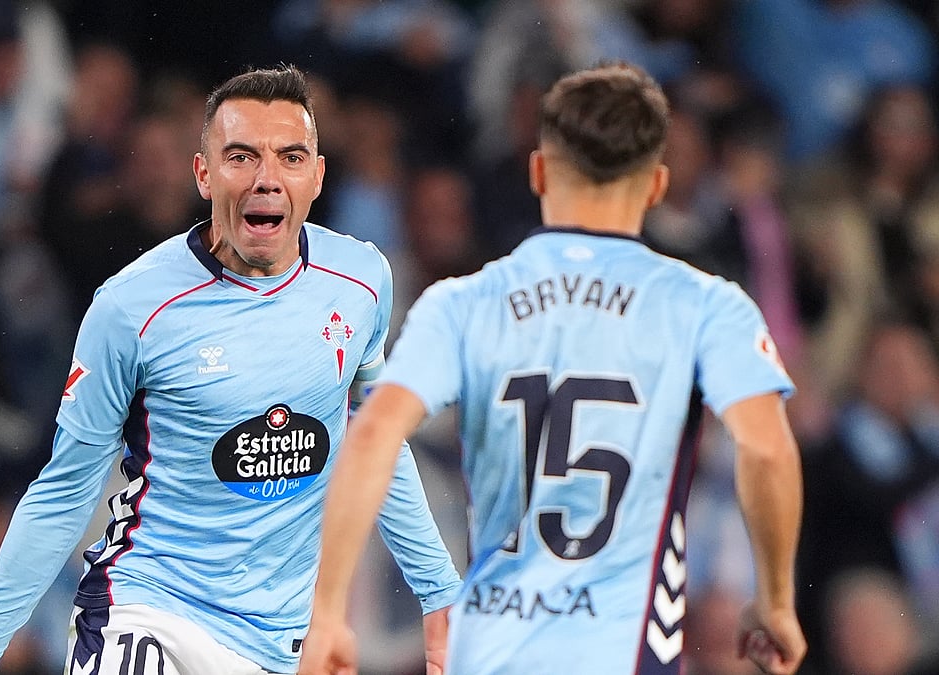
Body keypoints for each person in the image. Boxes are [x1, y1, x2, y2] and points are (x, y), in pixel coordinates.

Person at [0, 65, 461, 675]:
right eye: (241, 157)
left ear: (316, 175)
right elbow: (64, 490)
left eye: (290, 157)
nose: (267, 180)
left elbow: (375, 442)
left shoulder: (362, 280)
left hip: (281, 642)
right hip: (151, 611)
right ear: (203, 174)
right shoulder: (131, 306)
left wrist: (439, 590)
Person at [299, 62, 807, 675]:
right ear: (655, 185)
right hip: (626, 652)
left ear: (538, 171)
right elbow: (768, 449)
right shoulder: (704, 304)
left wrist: (327, 612)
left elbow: (373, 433)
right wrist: (775, 601)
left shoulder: (464, 302)